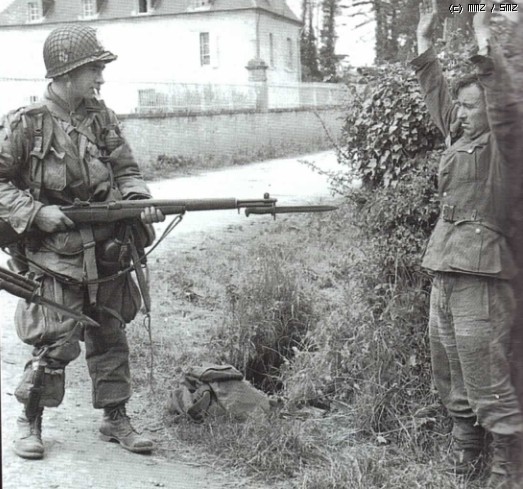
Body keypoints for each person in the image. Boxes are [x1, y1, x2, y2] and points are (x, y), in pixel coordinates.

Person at [0, 24, 164, 459]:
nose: (101, 79)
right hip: (55, 255)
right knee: (55, 339)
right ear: (67, 73)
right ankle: (30, 419)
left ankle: (115, 416)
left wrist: (138, 202)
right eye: (94, 69)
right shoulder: (26, 125)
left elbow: (126, 171)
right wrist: (36, 213)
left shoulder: (102, 119)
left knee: (110, 333)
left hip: (108, 249)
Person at [412, 1, 523, 487]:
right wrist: (424, 43)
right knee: (451, 367)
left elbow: (503, 106)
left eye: (471, 106)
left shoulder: (504, 147)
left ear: (489, 111)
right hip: (445, 267)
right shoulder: (460, 137)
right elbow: (439, 94)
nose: (459, 113)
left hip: (482, 273)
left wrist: (484, 36)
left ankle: (507, 466)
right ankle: (465, 449)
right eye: (459, 107)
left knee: (486, 376)